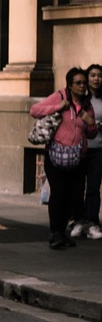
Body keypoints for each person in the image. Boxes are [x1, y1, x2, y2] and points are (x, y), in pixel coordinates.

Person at [31, 67, 99, 249]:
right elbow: (34, 110)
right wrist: (57, 107)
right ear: (70, 84)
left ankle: (63, 232)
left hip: (77, 158)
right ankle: (56, 233)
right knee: (58, 194)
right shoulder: (59, 97)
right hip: (55, 156)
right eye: (78, 83)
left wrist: (90, 123)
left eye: (84, 83)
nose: (82, 86)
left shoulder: (87, 105)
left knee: (72, 196)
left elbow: (91, 134)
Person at [76, 63, 102, 240]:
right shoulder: (80, 98)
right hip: (79, 149)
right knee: (77, 187)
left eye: (99, 75)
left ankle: (92, 222)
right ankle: (78, 220)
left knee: (93, 188)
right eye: (92, 75)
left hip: (99, 149)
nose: (96, 79)